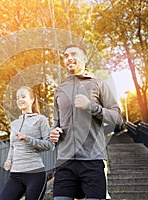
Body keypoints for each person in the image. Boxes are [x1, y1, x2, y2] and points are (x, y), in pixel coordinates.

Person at [50, 43, 123, 200]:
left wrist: (91, 106)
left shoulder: (99, 84)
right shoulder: (59, 90)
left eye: (73, 54)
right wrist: (54, 132)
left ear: (84, 58)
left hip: (92, 160)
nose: (69, 58)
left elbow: (118, 119)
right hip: (65, 161)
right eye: (66, 56)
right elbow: (56, 122)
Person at [0, 86, 55, 200]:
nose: (20, 100)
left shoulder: (40, 120)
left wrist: (28, 139)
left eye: (23, 96)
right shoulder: (15, 123)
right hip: (15, 174)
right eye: (18, 97)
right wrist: (9, 160)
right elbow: (13, 146)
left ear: (32, 99)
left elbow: (50, 145)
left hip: (35, 173)